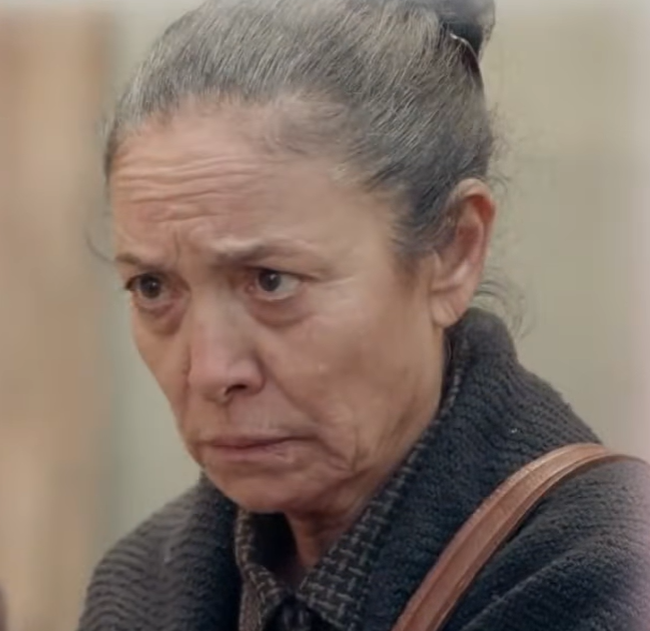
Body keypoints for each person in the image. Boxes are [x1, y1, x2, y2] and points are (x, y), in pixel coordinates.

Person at [78, 0, 650, 629]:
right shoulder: (140, 589)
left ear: (452, 251)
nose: (212, 371)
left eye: (272, 282)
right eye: (153, 288)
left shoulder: (607, 580)